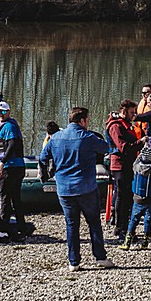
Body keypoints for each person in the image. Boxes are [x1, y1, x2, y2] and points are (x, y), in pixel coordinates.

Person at [40, 106, 113, 269]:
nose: (88, 123)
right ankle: (100, 257)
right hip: (86, 187)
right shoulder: (88, 137)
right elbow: (107, 148)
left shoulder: (56, 137)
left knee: (71, 225)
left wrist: (48, 174)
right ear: (82, 121)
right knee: (93, 222)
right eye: (87, 120)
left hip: (64, 188)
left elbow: (43, 157)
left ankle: (74, 262)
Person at [0, 102, 28, 241]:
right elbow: (4, 145)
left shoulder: (9, 126)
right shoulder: (8, 125)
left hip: (11, 167)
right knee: (15, 198)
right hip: (17, 166)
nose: (0, 115)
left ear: (8, 112)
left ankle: (3, 231)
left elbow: (12, 144)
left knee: (4, 197)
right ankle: (21, 228)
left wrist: (1, 162)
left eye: (2, 112)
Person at [105, 101, 142, 244]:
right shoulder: (116, 126)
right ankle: (121, 228)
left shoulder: (124, 125)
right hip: (119, 165)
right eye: (132, 113)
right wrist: (140, 143)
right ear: (124, 111)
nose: (134, 116)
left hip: (128, 164)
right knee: (123, 196)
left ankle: (122, 226)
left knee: (126, 196)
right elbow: (123, 147)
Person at [125, 136, 151, 250]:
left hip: (137, 198)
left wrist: (141, 151)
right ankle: (146, 239)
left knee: (134, 218)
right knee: (148, 219)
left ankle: (128, 239)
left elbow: (136, 160)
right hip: (150, 199)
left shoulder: (136, 167)